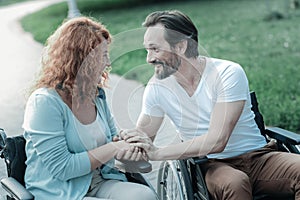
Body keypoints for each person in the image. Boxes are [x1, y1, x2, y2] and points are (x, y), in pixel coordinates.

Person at [121, 10, 300, 199]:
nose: (148, 58)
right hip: (213, 165)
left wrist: (158, 153)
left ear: (181, 46)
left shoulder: (227, 73)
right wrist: (130, 143)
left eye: (155, 49)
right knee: (235, 183)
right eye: (147, 50)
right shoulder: (157, 88)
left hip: (260, 157)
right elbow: (143, 138)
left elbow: (217, 140)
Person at [22, 16, 157, 200]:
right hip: (59, 192)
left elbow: (111, 142)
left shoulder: (96, 95)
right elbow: (63, 168)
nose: (108, 63)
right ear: (80, 60)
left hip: (99, 182)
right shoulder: (44, 102)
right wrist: (114, 147)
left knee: (145, 196)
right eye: (102, 56)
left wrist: (128, 146)